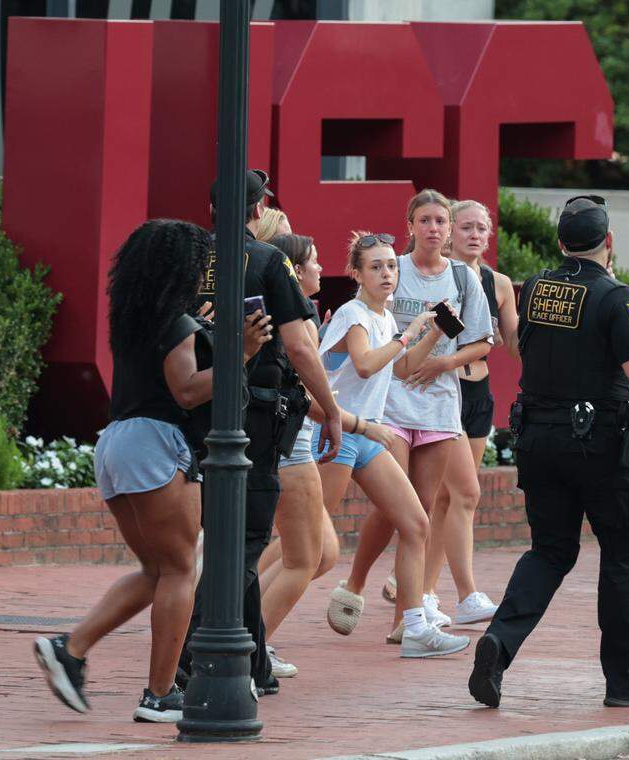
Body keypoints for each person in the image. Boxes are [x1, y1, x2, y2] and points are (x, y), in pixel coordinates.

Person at [33, 219, 271, 722]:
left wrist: (204, 330)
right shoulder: (176, 323)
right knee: (183, 569)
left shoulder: (142, 320)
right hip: (157, 444)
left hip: (118, 443)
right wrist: (243, 354)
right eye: (198, 263)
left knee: (156, 571)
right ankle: (161, 694)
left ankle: (70, 649)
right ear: (180, 267)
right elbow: (187, 390)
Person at [468, 195, 629, 709]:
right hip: (604, 447)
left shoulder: (538, 289)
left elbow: (523, 349)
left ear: (561, 243)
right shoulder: (619, 300)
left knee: (550, 550)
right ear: (608, 242)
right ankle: (628, 682)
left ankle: (499, 644)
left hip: (539, 440)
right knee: (622, 559)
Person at [179, 169, 344, 699]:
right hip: (254, 415)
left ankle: (256, 664)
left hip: (193, 407)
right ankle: (192, 659)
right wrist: (333, 410)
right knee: (244, 543)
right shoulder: (270, 261)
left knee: (238, 539)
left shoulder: (183, 258)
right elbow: (300, 347)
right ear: (256, 212)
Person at [327, 189, 493, 640]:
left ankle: (408, 616)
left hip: (440, 404)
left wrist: (443, 363)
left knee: (421, 509)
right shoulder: (391, 270)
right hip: (391, 401)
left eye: (441, 220)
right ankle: (356, 583)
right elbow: (373, 335)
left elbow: (483, 342)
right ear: (411, 225)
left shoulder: (463, 278)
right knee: (396, 504)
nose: (434, 228)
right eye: (425, 220)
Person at [256, 233, 398, 678]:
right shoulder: (300, 322)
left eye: (391, 265)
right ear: (294, 272)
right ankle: (243, 648)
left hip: (302, 440)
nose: (322, 269)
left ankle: (238, 635)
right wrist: (350, 422)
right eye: (314, 262)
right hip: (299, 442)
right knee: (307, 556)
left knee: (318, 552)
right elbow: (314, 386)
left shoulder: (308, 317)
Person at [420, 200, 519, 626]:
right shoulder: (441, 275)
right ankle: (450, 593)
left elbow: (513, 342)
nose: (475, 235)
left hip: (478, 393)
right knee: (458, 495)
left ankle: (424, 588)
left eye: (482, 228)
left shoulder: (498, 282)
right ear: (450, 232)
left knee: (454, 498)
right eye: (466, 227)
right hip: (444, 391)